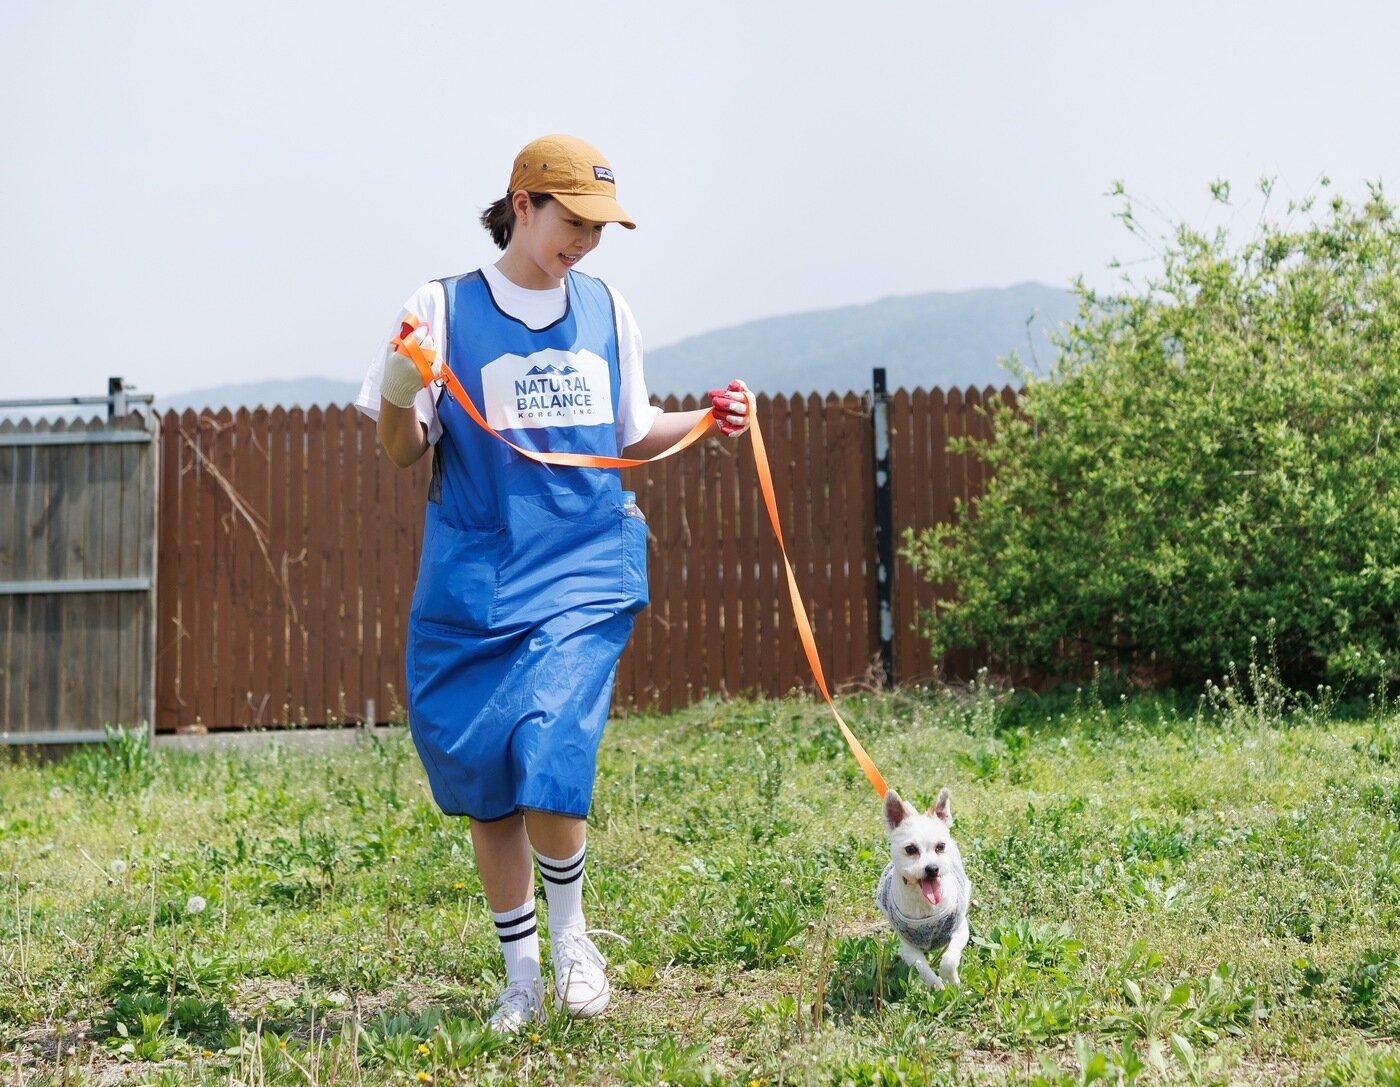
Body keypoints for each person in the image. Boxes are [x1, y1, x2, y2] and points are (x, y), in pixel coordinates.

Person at [355, 134, 752, 1032]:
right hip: (476, 578)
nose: (587, 241)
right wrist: (395, 383)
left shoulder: (608, 306)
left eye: (599, 227)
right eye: (573, 220)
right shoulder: (443, 306)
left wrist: (710, 419)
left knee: (549, 752)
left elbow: (632, 429)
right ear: (524, 203)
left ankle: (575, 943)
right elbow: (403, 445)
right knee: (485, 773)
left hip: (582, 565)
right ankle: (521, 975)